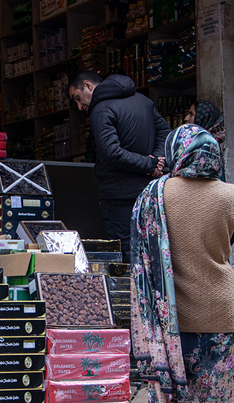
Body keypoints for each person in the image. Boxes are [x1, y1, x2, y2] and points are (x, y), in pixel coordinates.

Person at [131, 124, 234, 403]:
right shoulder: (232, 195)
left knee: (167, 393)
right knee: (214, 394)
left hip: (169, 316)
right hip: (217, 309)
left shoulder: (155, 194)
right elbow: (226, 241)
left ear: (176, 152)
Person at [68, 70, 171, 262]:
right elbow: (166, 132)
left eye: (77, 98)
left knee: (124, 258)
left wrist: (151, 164)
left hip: (119, 198)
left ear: (88, 85)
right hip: (148, 194)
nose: (79, 106)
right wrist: (156, 160)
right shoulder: (144, 101)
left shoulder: (100, 110)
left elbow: (111, 152)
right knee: (151, 254)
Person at [185, 99, 226, 181]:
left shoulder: (205, 143)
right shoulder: (211, 141)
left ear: (203, 118)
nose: (186, 118)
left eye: (191, 114)